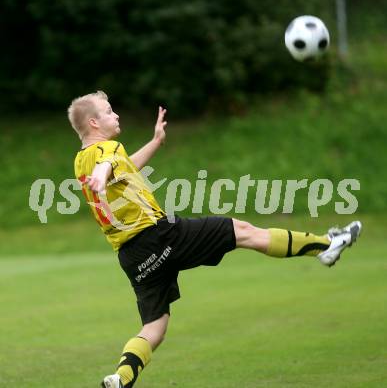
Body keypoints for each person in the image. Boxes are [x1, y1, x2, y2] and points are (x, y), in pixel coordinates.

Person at [68, 90, 362, 388]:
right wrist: (103, 174)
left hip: (132, 257)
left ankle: (121, 378)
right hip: (158, 236)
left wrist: (155, 142)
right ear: (93, 122)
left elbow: (122, 167)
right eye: (108, 111)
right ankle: (326, 246)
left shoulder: (81, 161)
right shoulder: (107, 150)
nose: (115, 115)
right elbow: (109, 163)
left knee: (154, 328)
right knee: (242, 231)